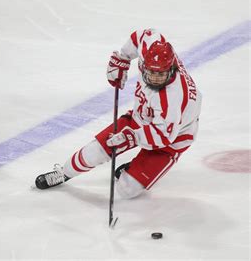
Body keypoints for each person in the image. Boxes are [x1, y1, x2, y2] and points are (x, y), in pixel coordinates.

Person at [35, 29, 202, 199]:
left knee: (127, 189)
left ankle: (135, 168)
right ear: (145, 64)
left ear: (171, 69)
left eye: (161, 74)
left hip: (173, 137)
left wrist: (132, 137)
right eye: (151, 72)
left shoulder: (173, 97)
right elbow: (142, 36)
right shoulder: (151, 48)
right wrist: (122, 58)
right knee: (94, 152)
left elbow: (164, 136)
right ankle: (64, 173)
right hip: (142, 117)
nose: (155, 78)